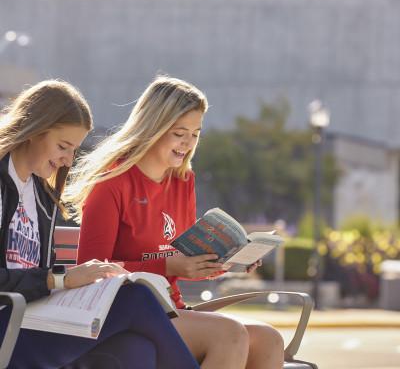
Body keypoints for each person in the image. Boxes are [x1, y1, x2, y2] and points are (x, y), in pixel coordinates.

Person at [66, 75, 285, 369]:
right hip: (126, 313)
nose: (187, 143)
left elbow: (183, 259)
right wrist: (166, 266)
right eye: (179, 132)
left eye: (195, 133)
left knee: (269, 338)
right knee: (229, 335)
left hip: (173, 308)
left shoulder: (183, 180)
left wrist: (228, 260)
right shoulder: (111, 184)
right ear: (154, 127)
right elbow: (91, 274)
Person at [0, 80, 200, 369]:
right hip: (9, 322)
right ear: (33, 131)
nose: (68, 159)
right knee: (135, 298)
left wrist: (75, 283)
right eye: (63, 146)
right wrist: (58, 280)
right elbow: (42, 278)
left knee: (137, 350)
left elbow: (41, 271)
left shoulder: (40, 194)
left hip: (35, 316)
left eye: (74, 149)